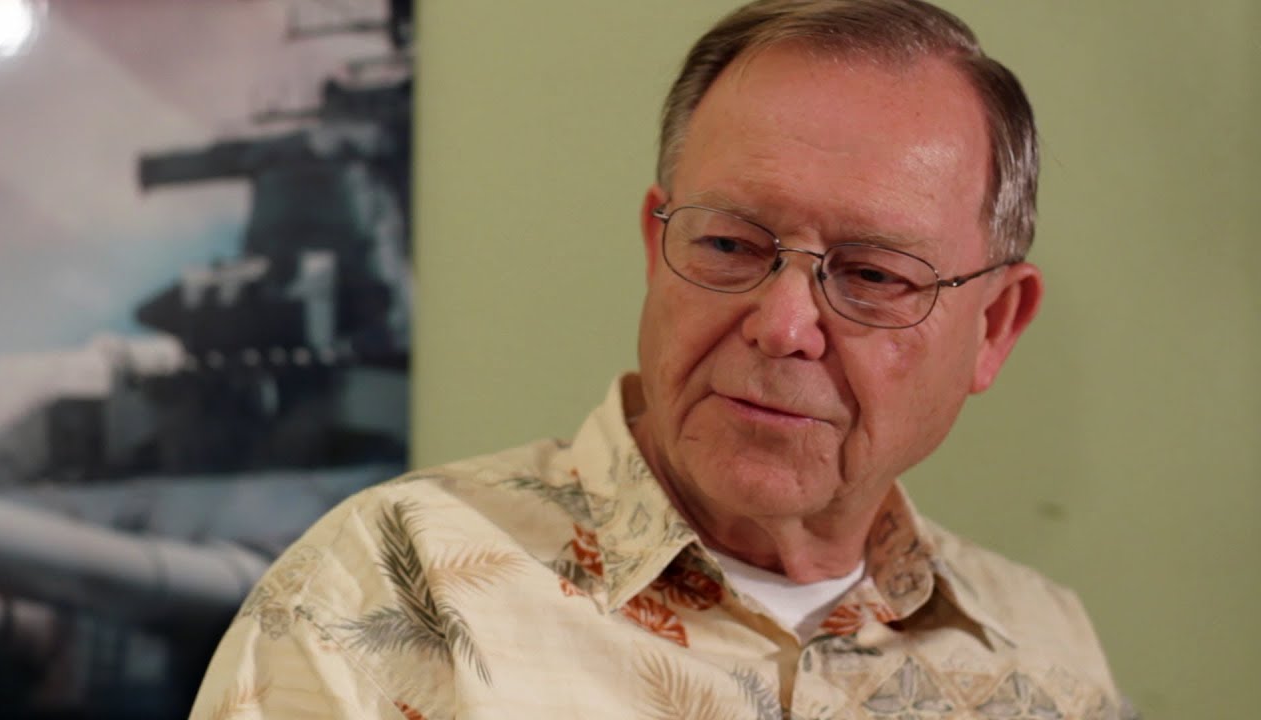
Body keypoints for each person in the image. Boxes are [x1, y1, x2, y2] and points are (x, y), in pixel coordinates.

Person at [189, 1, 1133, 718]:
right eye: (729, 246)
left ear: (996, 326)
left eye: (874, 274)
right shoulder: (389, 593)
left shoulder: (1047, 654)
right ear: (657, 246)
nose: (782, 324)